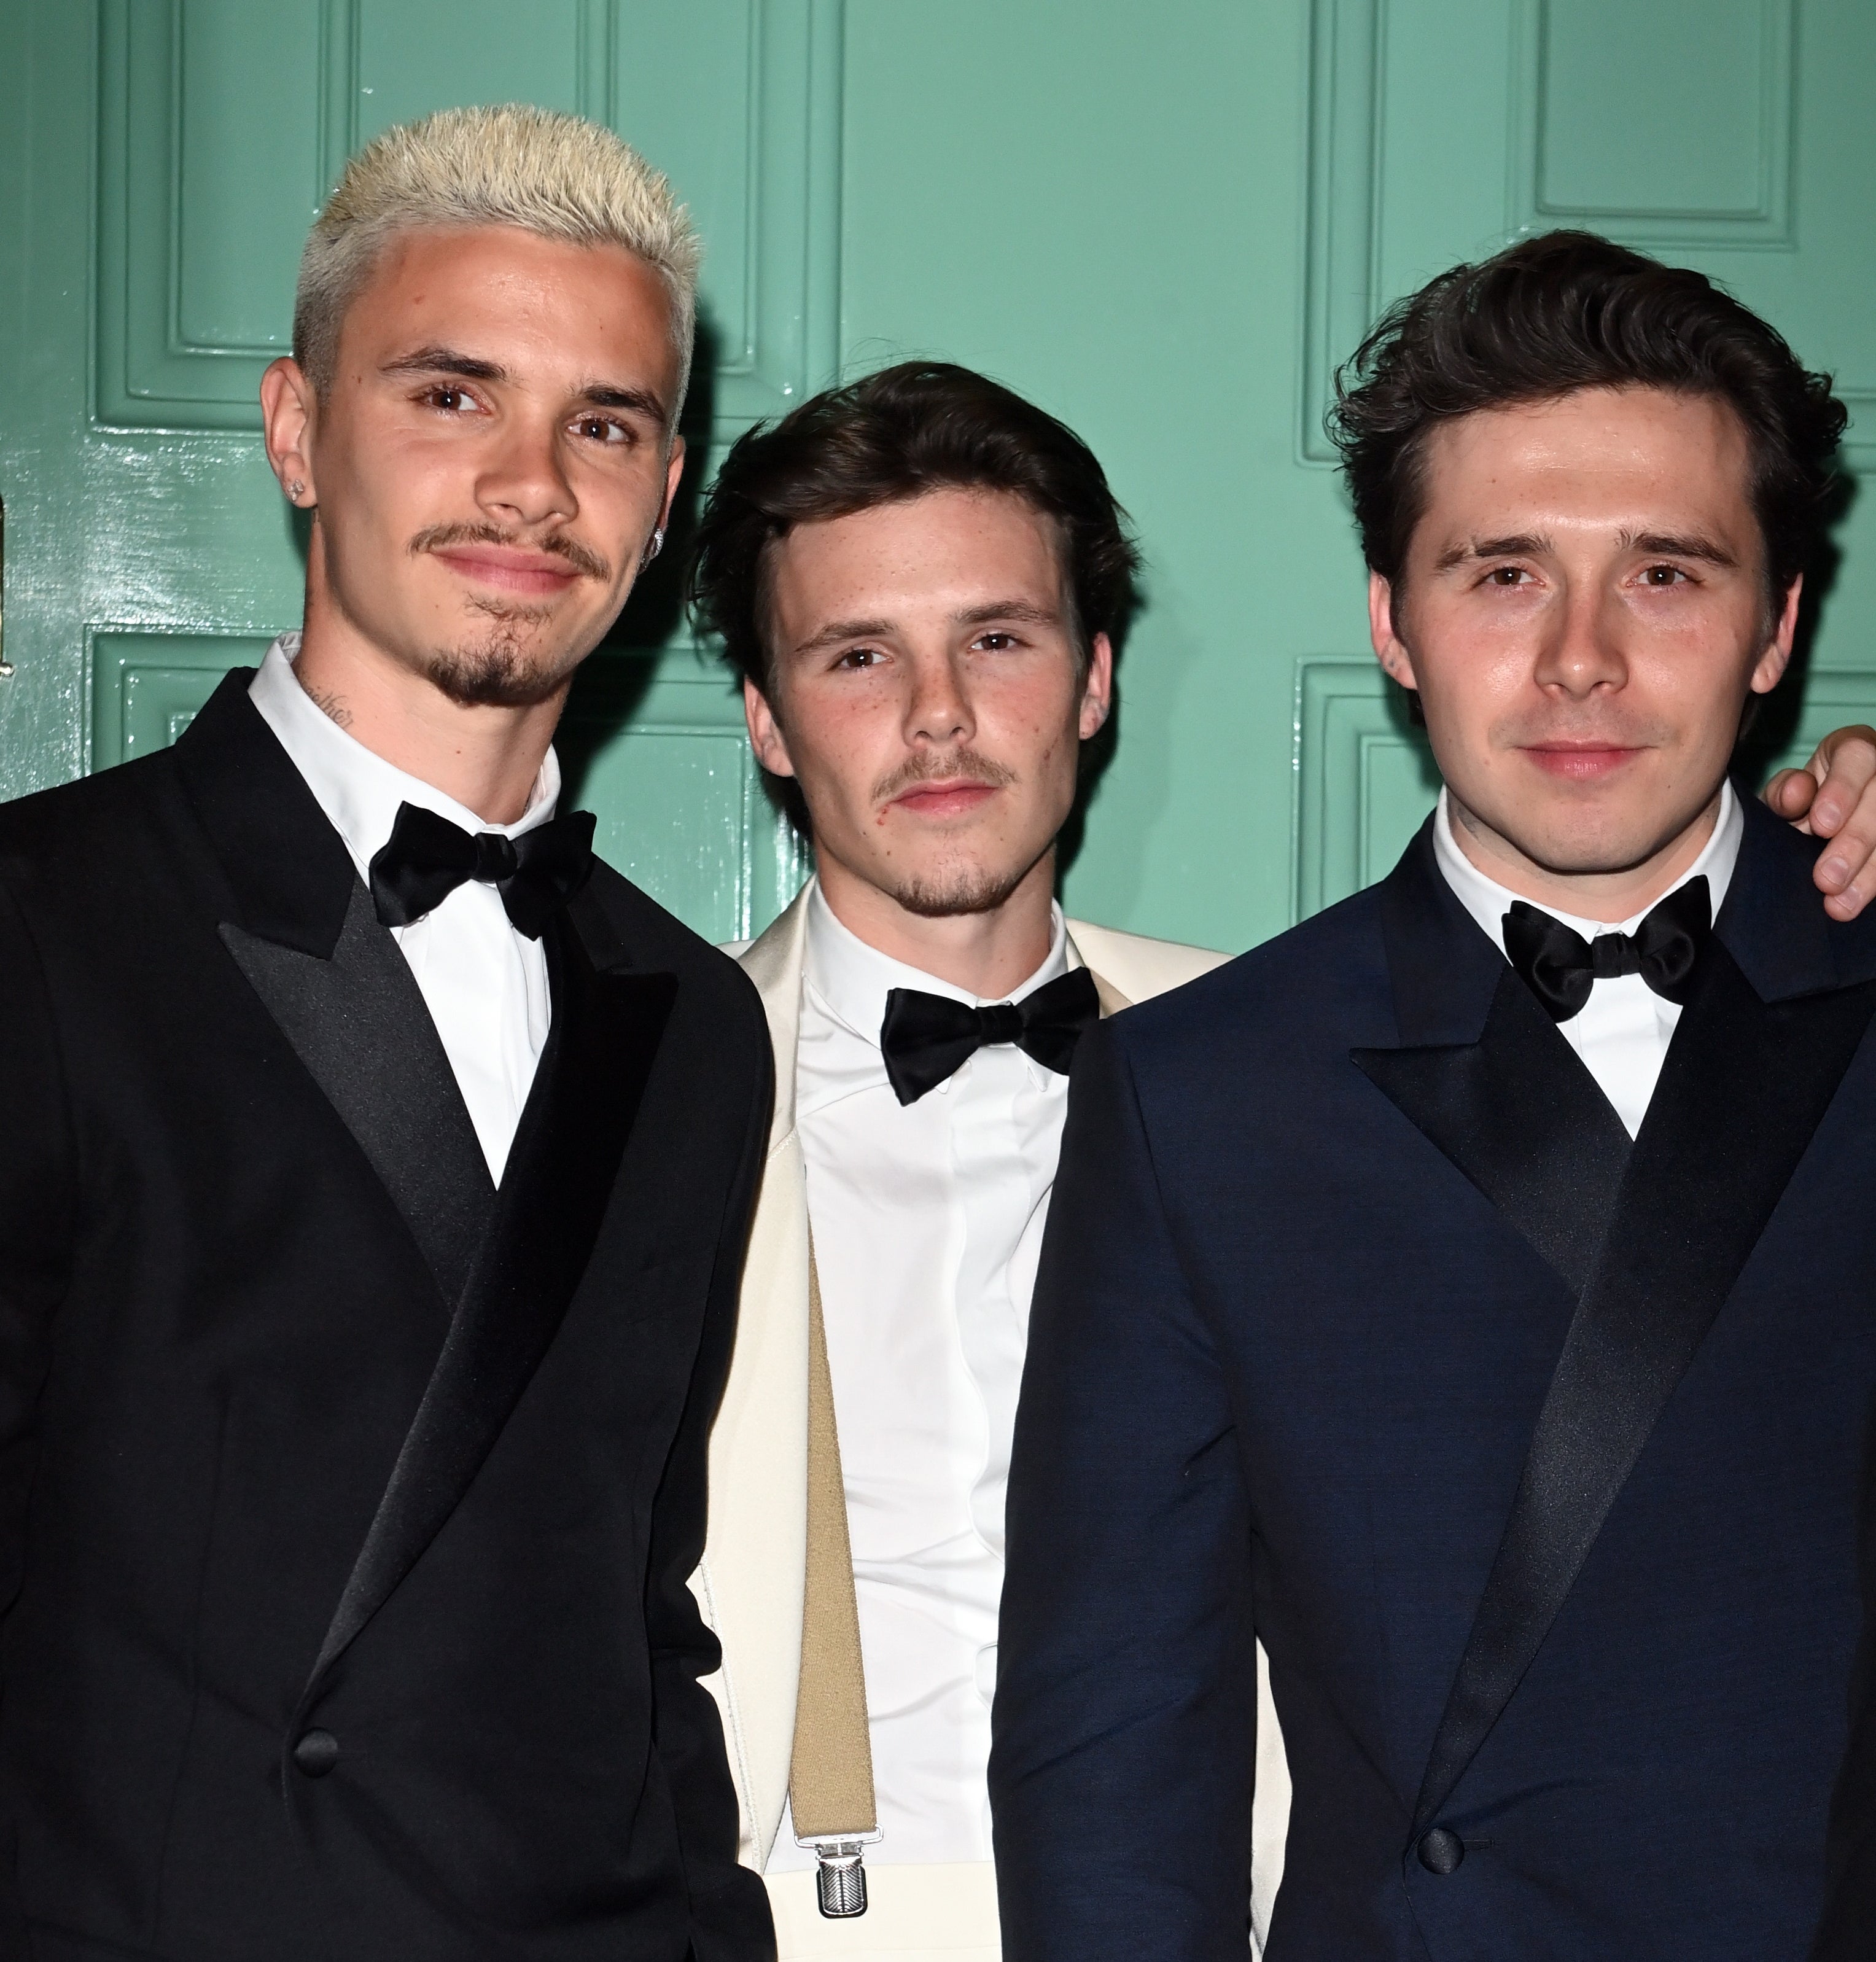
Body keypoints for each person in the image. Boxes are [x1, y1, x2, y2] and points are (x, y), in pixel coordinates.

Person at [991, 230, 1876, 1959]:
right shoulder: (1201, 1093)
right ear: (1395, 624)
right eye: (1505, 574)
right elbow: (1115, 1759)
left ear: (1776, 626)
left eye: (1667, 574)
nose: (1582, 659)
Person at [0, 106, 774, 1960]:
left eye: (605, 425)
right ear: (295, 430)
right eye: (451, 395)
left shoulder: (693, 1017)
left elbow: (634, 1612)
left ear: (665, 494)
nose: (531, 486)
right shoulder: (42, 924)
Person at [683, 362, 1291, 1961]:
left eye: (998, 640)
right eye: (858, 654)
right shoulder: (644, 1093)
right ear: (766, 717)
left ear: (1094, 678)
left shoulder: (1285, 1067)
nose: (938, 714)